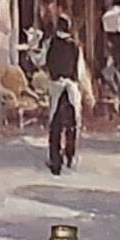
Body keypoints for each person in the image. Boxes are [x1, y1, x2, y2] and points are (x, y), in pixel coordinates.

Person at [40, 18, 86, 172]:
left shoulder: (50, 43)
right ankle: (70, 156)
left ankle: (55, 160)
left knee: (55, 126)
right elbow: (80, 71)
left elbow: (41, 60)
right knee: (72, 125)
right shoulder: (76, 46)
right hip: (71, 89)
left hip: (56, 88)